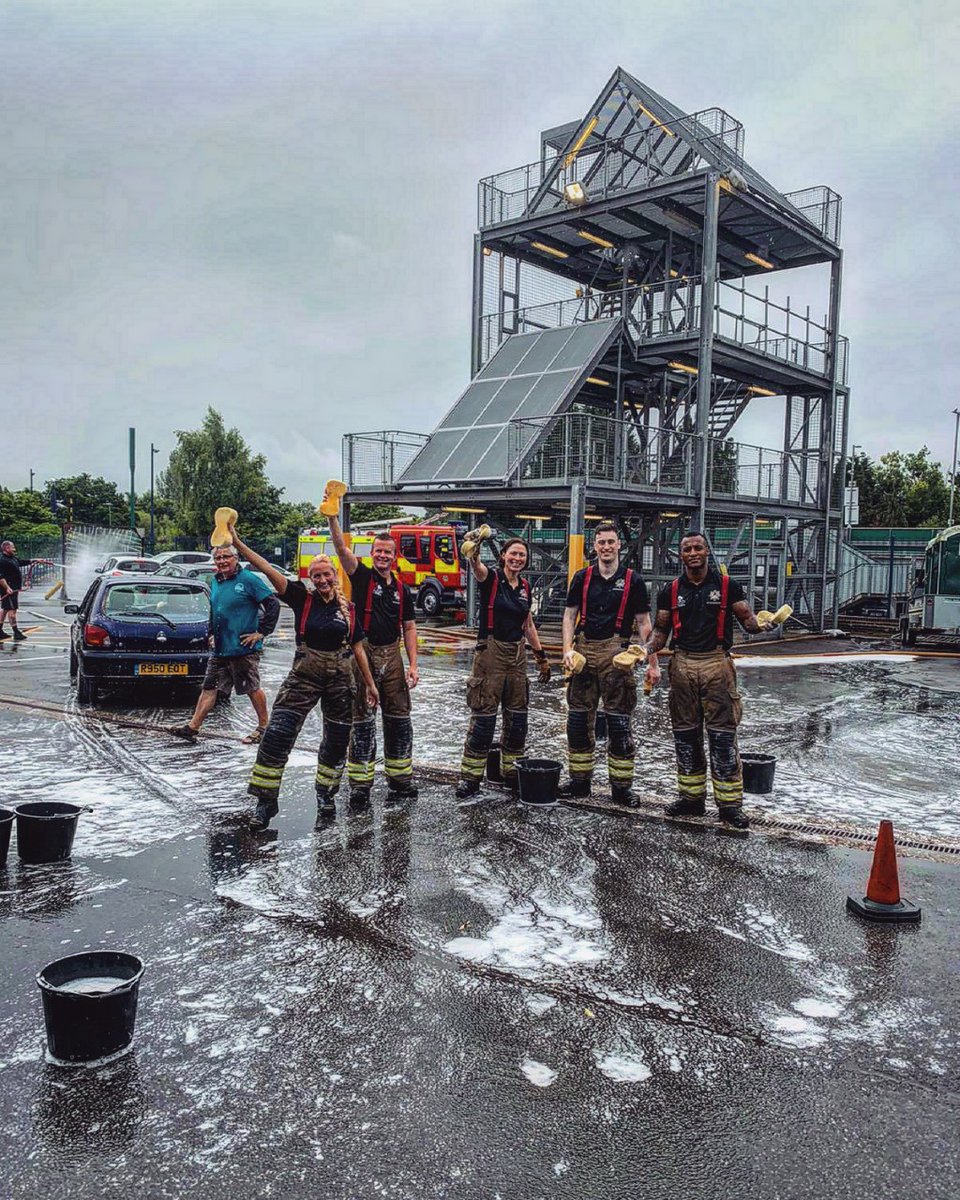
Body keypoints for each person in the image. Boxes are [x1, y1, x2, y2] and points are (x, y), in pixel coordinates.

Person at [229, 529, 379, 831]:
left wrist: (371, 684)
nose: (321, 580)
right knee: (277, 735)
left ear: (335, 575)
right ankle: (265, 802)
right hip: (304, 677)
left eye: (326, 575)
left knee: (337, 742)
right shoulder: (301, 598)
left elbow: (359, 648)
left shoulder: (347, 610)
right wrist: (237, 542)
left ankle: (326, 796)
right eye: (316, 576)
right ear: (310, 578)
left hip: (340, 678)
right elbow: (268, 570)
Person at [642, 531, 773, 830]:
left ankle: (729, 807)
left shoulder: (727, 586)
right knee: (686, 736)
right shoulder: (671, 590)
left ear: (706, 552)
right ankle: (691, 799)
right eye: (686, 548)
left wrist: (765, 625)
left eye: (697, 547)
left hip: (717, 663)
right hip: (683, 664)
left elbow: (748, 621)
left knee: (722, 737)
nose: (692, 553)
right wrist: (646, 649)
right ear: (681, 554)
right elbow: (661, 632)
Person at [560, 522, 659, 806]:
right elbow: (569, 616)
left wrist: (653, 663)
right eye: (601, 542)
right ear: (594, 546)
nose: (606, 547)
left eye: (611, 542)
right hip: (584, 653)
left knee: (619, 724)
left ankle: (621, 788)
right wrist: (567, 651)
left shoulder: (634, 581)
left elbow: (644, 624)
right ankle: (579, 783)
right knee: (578, 722)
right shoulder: (581, 578)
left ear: (619, 546)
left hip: (618, 655)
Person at [328, 510, 419, 806]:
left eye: (387, 552)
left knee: (399, 718)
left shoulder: (402, 589)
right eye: (378, 551)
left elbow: (409, 627)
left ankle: (400, 778)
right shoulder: (362, 576)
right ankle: (360, 784)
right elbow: (341, 549)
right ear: (371, 554)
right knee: (363, 720)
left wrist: (414, 664)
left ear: (394, 556)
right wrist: (332, 517)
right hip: (362, 654)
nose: (382, 556)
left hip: (392, 655)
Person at [456, 533, 550, 800]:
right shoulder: (492, 579)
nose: (517, 558)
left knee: (517, 718)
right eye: (513, 554)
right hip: (490, 655)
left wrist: (541, 657)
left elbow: (527, 624)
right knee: (484, 719)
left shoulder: (525, 588)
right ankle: (470, 779)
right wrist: (476, 547)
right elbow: (475, 566)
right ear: (503, 557)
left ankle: (511, 774)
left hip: (517, 656)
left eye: (522, 555)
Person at [169, 544, 279, 743]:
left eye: (226, 557)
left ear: (235, 558)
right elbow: (215, 610)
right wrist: (211, 633)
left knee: (251, 688)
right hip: (220, 648)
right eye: (218, 558)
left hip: (243, 648)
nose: (222, 561)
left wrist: (261, 633)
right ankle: (192, 728)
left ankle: (264, 728)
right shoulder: (216, 581)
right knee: (209, 688)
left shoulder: (248, 580)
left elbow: (272, 604)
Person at [0, 540, 26, 641]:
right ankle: (16, 632)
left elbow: (20, 562)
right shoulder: (2, 560)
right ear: (7, 548)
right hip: (9, 590)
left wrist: (35, 561)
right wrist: (7, 588)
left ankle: (0, 631)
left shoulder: (12, 558)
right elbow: (0, 577)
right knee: (12, 610)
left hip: (13, 588)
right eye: (12, 547)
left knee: (5, 609)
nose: (14, 549)